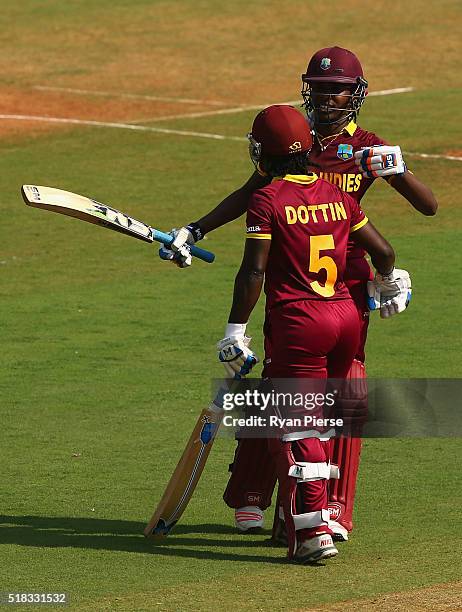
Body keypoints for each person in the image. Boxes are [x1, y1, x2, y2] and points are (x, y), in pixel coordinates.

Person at [160, 46, 437, 541]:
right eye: (319, 87)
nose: (327, 97)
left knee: (341, 393)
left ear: (357, 93)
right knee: (280, 387)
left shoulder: (369, 147)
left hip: (347, 286)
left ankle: (330, 509)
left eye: (337, 89)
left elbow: (428, 207)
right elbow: (252, 193)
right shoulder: (295, 140)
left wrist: (396, 172)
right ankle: (251, 492)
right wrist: (196, 229)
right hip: (291, 284)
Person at [217, 103, 410, 562]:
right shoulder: (335, 194)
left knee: (294, 423)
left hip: (300, 323)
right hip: (345, 316)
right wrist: (388, 280)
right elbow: (384, 251)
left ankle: (311, 530)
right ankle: (312, 515)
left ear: (265, 152)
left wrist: (234, 331)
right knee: (324, 418)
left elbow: (252, 273)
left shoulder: (267, 199)